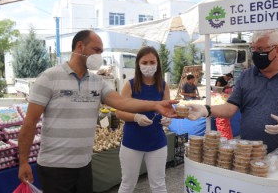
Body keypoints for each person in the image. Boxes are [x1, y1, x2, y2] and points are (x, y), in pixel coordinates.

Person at [17, 30, 178, 193]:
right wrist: (23, 161)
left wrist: (155, 106)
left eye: (101, 51)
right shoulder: (49, 78)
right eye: (96, 50)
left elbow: (122, 102)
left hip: (84, 165)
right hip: (55, 166)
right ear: (80, 46)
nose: (100, 56)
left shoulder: (97, 82)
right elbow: (29, 123)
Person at [186, 29, 278, 153]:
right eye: (253, 49)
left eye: (261, 50)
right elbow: (230, 108)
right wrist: (206, 109)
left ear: (277, 50)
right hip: (247, 153)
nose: (255, 53)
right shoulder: (246, 76)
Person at [116, 46, 171, 193]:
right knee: (128, 184)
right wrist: (135, 117)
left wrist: (167, 118)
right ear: (138, 64)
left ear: (158, 64)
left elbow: (168, 109)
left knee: (159, 185)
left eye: (152, 62)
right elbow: (119, 112)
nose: (148, 66)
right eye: (144, 62)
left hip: (157, 142)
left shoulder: (163, 86)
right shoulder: (130, 85)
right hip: (132, 142)